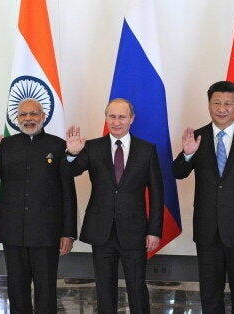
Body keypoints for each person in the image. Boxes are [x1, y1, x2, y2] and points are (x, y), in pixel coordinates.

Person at [172, 81, 234, 313]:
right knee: (210, 290)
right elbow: (178, 173)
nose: (221, 108)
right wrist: (187, 155)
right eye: (216, 102)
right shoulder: (197, 137)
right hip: (207, 228)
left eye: (228, 103)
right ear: (209, 104)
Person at [0, 98, 77, 313]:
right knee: (16, 289)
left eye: (33, 114)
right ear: (17, 118)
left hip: (47, 234)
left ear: (42, 116)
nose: (28, 119)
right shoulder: (6, 145)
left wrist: (68, 232)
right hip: (13, 232)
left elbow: (68, 193)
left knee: (46, 289)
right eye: (23, 115)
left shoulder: (58, 146)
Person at [64, 98, 164, 313]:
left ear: (131, 119)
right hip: (101, 231)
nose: (116, 122)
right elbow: (69, 172)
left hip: (135, 231)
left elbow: (157, 194)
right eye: (112, 116)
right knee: (104, 288)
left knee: (137, 287)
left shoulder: (147, 150)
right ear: (106, 117)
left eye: (122, 117)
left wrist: (154, 230)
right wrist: (72, 154)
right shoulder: (91, 147)